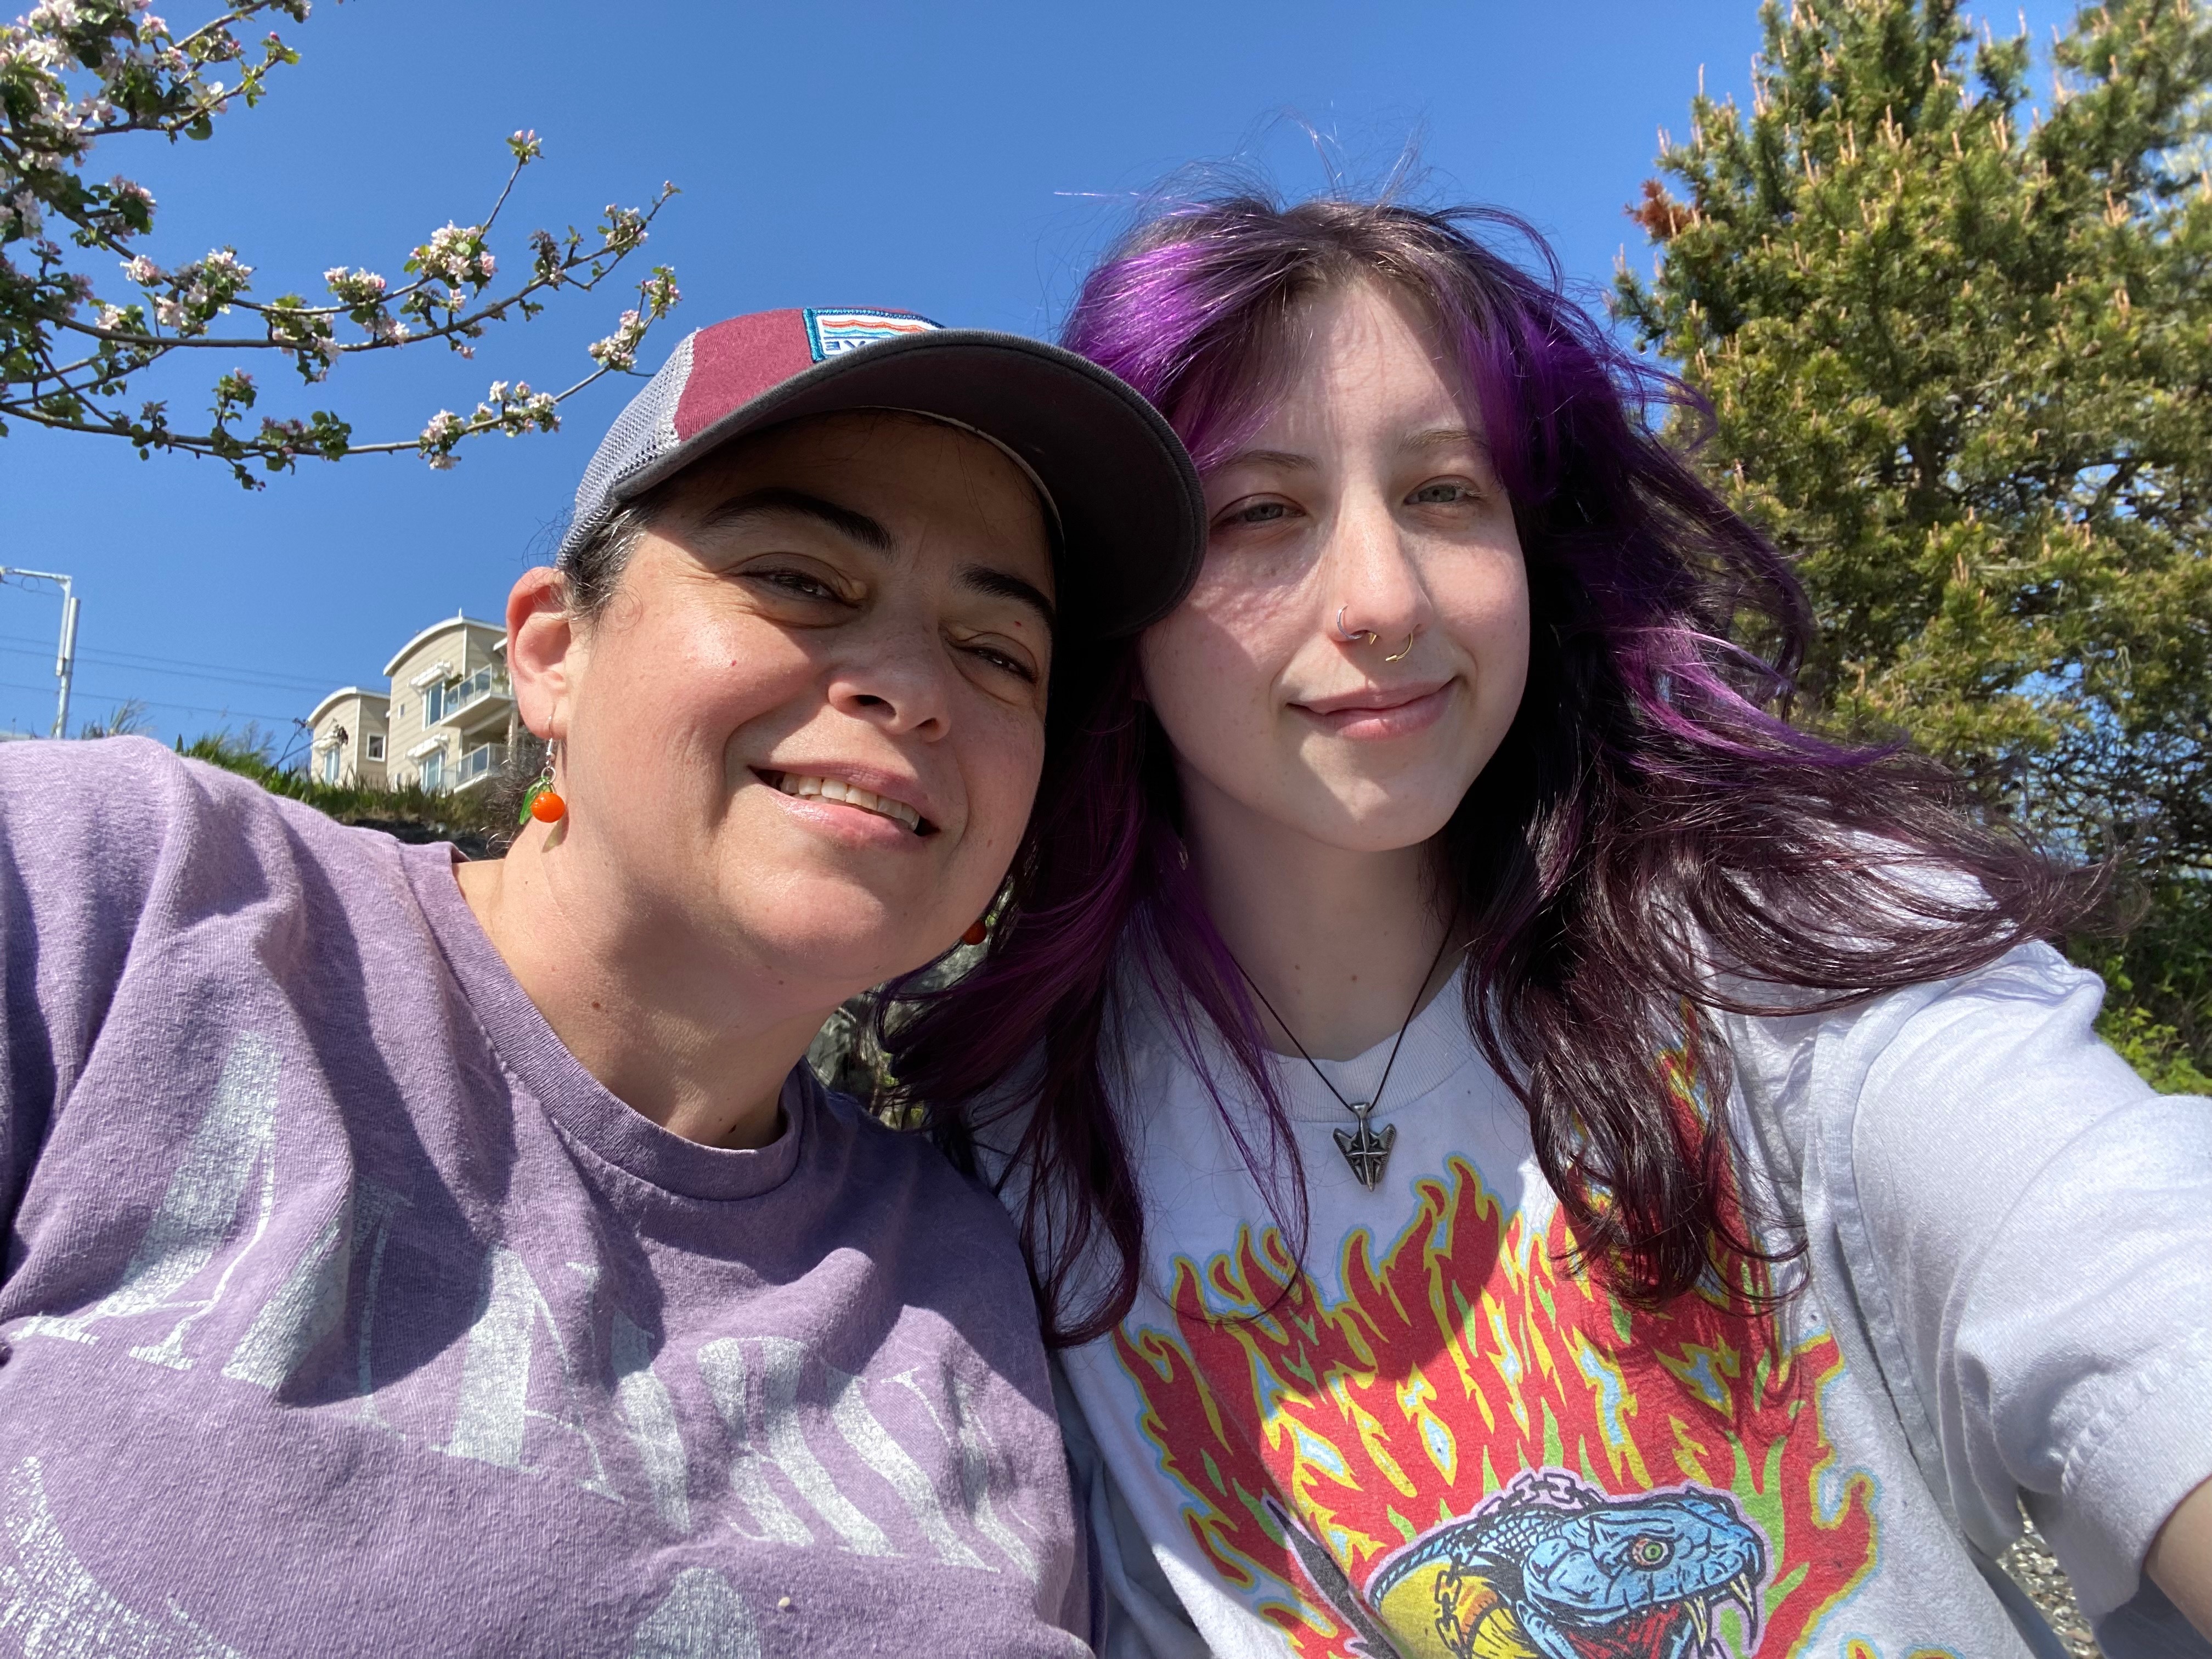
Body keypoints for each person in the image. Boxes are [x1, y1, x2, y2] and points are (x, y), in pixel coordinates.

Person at [885, 199, 2212, 1658]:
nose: (1384, 601)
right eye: (1258, 512)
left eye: (1445, 493)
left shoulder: (1796, 947)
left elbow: (2124, 1264)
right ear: (1124, 613)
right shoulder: (1023, 1155)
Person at [0, 305, 1204, 1655]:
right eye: (803, 578)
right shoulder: (123, 890)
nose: (916, 687)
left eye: (999, 653)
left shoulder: (974, 1278)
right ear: (552, 654)